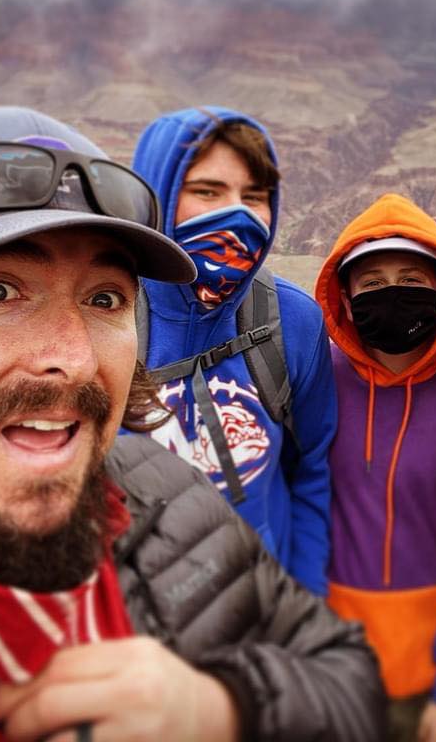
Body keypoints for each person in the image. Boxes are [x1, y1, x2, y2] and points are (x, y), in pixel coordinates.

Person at [0, 105, 386, 742]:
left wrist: (225, 704)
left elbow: (315, 471)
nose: (75, 360)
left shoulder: (280, 331)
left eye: (103, 299)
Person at [132, 107, 336, 595]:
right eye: (207, 191)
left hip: (268, 612)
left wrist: (306, 603)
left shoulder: (290, 320)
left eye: (255, 197)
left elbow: (312, 471)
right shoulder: (106, 319)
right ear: (157, 194)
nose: (239, 215)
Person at [314, 193, 436, 742]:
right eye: (371, 283)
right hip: (332, 667)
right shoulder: (314, 377)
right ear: (344, 295)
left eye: (411, 279)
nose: (391, 294)